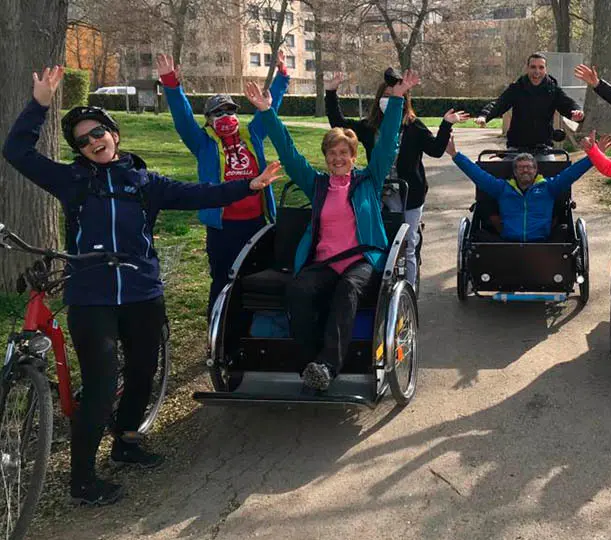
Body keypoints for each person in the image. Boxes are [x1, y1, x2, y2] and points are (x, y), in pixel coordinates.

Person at [2, 66, 281, 506]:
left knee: (141, 371)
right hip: (91, 295)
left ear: (114, 133)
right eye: (84, 139)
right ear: (79, 149)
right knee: (100, 380)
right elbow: (16, 151)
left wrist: (250, 185)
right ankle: (83, 479)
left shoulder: (144, 181)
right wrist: (38, 104)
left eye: (99, 132)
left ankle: (128, 440)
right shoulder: (71, 180)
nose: (94, 142)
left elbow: (198, 194)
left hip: (142, 291)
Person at [244, 70, 418, 391]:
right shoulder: (317, 185)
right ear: (326, 158)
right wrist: (267, 113)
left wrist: (395, 101)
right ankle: (312, 363)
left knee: (348, 290)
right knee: (298, 290)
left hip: (362, 260)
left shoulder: (369, 180)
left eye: (344, 154)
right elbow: (288, 153)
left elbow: (388, 144)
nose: (338, 158)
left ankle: (327, 364)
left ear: (353, 157)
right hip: (325, 261)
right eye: (332, 154)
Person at [156, 52, 290, 316]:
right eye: (219, 112)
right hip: (223, 226)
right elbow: (182, 118)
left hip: (257, 222)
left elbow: (268, 108)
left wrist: (282, 77)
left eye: (230, 110)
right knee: (223, 279)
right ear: (208, 120)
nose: (226, 116)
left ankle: (251, 330)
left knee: (256, 276)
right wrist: (171, 84)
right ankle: (218, 335)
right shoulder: (202, 142)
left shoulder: (252, 134)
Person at [324, 67, 469, 289]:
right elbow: (338, 123)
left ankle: (408, 290)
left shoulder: (413, 126)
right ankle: (381, 285)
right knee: (381, 241)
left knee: (408, 244)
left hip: (410, 194)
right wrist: (331, 93)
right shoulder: (369, 126)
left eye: (395, 96)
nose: (389, 100)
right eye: (386, 96)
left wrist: (446, 123)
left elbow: (436, 150)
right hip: (379, 193)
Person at [446, 137, 592, 242]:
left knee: (566, 232)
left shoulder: (549, 187)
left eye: (529, 167)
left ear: (535, 171)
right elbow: (478, 175)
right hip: (509, 243)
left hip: (543, 244)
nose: (525, 171)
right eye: (521, 168)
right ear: (515, 172)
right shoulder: (502, 188)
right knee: (478, 239)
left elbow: (571, 173)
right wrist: (455, 155)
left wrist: (593, 157)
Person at [475, 53, 585, 150]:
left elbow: (568, 104)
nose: (537, 71)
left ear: (545, 70)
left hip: (543, 146)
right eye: (533, 67)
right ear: (527, 68)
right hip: (516, 146)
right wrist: (484, 116)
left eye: (541, 67)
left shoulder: (553, 90)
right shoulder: (516, 88)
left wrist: (577, 113)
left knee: (552, 171)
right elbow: (499, 104)